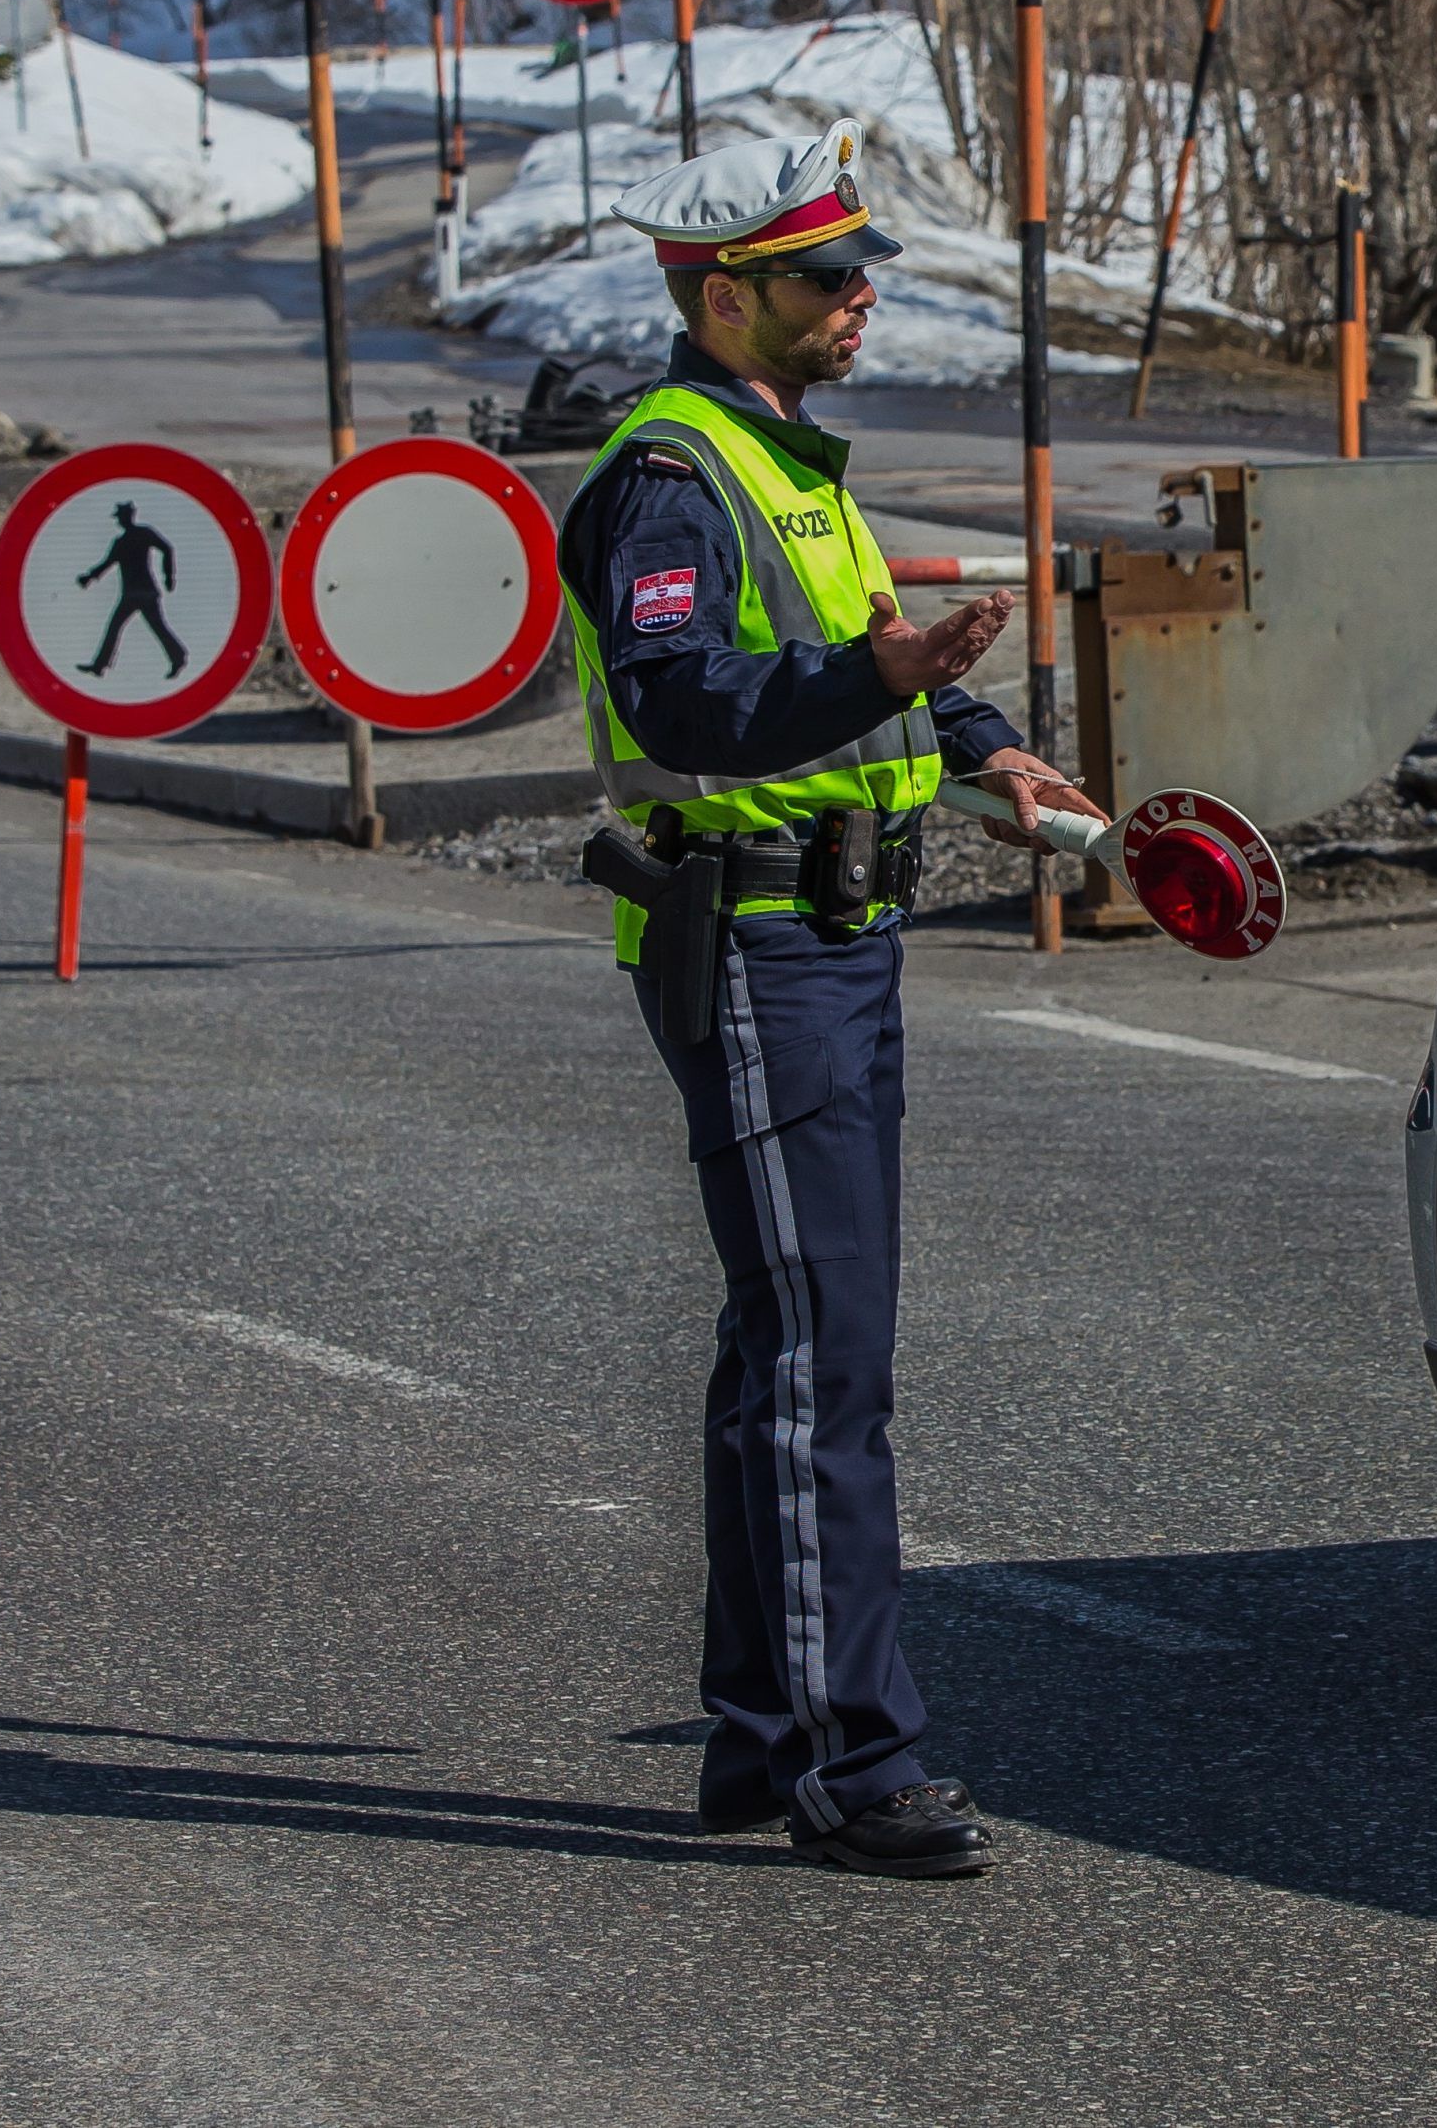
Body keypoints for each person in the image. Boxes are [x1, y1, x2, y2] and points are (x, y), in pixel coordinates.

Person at [561, 123, 1099, 1880]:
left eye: (864, 269)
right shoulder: (668, 476)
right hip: (755, 942)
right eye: (824, 277)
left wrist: (990, 751)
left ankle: (756, 1736)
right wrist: (874, 671)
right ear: (724, 297)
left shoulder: (787, 457)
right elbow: (690, 705)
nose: (861, 296)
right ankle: (859, 1764)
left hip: (834, 940)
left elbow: (875, 659)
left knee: (786, 1341)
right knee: (823, 1356)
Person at [73, 501, 185, 678]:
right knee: (126, 627)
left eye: (121, 517)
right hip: (136, 593)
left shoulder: (140, 535)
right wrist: (88, 577)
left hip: (141, 593)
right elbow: (107, 564)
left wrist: (169, 576)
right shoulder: (123, 541)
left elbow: (167, 549)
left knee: (150, 627)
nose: (119, 521)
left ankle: (178, 658)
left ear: (127, 517)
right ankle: (100, 665)